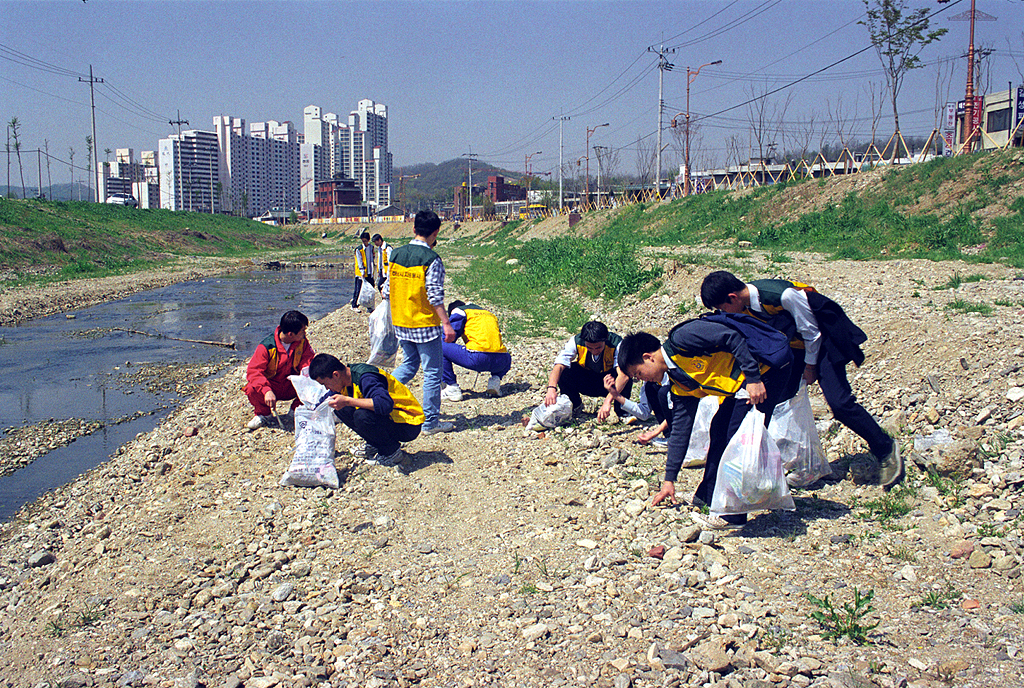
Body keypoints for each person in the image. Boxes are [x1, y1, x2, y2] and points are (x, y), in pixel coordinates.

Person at [700, 270, 903, 489]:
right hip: (795, 347)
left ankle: (885, 449)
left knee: (839, 402)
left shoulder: (783, 295)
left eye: (722, 308)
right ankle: (780, 463)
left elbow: (812, 332)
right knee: (774, 399)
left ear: (732, 297)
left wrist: (810, 367)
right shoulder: (746, 305)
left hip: (823, 343)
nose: (723, 313)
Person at [618, 321, 789, 530]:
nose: (642, 379)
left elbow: (731, 337)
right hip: (739, 389)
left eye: (638, 374)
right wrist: (669, 480)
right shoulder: (679, 384)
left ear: (648, 357)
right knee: (718, 430)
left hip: (763, 375)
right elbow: (680, 430)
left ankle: (733, 515)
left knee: (735, 442)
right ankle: (707, 496)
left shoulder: (682, 339)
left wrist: (753, 378)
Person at [382, 209, 456, 435]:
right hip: (423, 325)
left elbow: (386, 290)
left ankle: (380, 393)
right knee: (433, 372)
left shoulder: (395, 254)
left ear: (414, 229)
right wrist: (446, 323)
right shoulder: (432, 259)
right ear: (435, 233)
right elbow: (434, 295)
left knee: (410, 365)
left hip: (401, 322)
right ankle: (430, 422)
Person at [309, 353, 422, 468]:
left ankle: (391, 452)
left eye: (325, 384)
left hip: (407, 423)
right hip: (391, 419)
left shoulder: (366, 378)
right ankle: (375, 444)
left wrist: (348, 401)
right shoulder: (345, 379)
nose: (326, 388)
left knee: (362, 416)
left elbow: (384, 404)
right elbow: (329, 397)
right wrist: (313, 412)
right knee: (339, 407)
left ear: (336, 374)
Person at [544, 321, 632, 422]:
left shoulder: (617, 344)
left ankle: (621, 411)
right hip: (587, 380)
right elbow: (559, 365)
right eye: (589, 347)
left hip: (610, 383)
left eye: (598, 347)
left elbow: (623, 376)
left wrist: (607, 402)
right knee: (565, 372)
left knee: (626, 374)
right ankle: (575, 405)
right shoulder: (575, 341)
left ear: (606, 338)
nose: (594, 351)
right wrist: (551, 388)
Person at [244, 310, 315, 430]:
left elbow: (308, 360)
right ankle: (264, 414)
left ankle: (297, 410)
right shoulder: (266, 347)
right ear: (290, 334)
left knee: (315, 377)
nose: (305, 333)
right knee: (251, 388)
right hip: (273, 387)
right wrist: (266, 390)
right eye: (303, 330)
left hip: (291, 385)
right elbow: (254, 372)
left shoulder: (302, 343)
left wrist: (306, 375)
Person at [441, 300, 512, 401]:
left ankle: (451, 387)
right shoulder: (488, 314)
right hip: (502, 361)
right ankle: (495, 382)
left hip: (478, 358)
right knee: (502, 353)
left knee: (439, 346)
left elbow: (448, 338)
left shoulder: (459, 312)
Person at [350, 230, 375, 311]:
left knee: (370, 290)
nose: (364, 242)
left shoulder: (371, 248)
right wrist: (362, 271)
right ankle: (354, 305)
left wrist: (372, 270)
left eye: (365, 241)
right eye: (363, 241)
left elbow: (372, 259)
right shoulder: (359, 249)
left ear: (368, 240)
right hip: (360, 273)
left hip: (369, 272)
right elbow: (359, 261)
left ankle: (369, 306)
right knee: (358, 289)